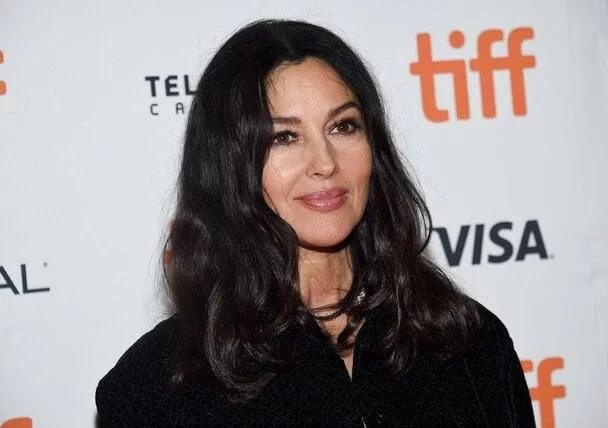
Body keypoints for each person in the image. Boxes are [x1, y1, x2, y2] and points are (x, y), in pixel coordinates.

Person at [96, 19, 535, 426]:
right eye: (284, 137)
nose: (325, 162)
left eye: (343, 127)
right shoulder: (155, 388)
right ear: (229, 166)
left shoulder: (465, 341)